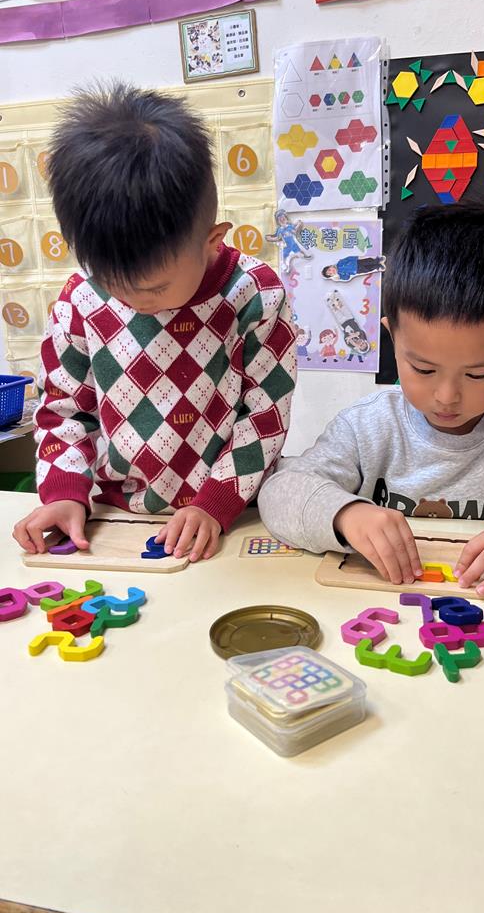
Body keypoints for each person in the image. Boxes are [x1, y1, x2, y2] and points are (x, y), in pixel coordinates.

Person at [13, 84, 296, 563]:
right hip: (115, 516)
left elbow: (265, 414)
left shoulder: (255, 294)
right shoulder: (80, 299)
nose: (132, 301)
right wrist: (64, 493)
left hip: (233, 514)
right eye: (112, 282)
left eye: (155, 288)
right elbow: (64, 412)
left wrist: (215, 503)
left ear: (212, 241)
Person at [258, 203, 484, 599]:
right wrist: (345, 514)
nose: (446, 396)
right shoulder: (368, 426)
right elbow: (280, 491)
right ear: (393, 338)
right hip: (381, 616)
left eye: (477, 374)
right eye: (423, 369)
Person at [321, 255, 385, 281]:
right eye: (330, 274)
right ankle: (378, 266)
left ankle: (377, 260)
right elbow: (347, 277)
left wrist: (356, 258)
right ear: (332, 276)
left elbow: (348, 259)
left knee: (368, 261)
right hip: (357, 271)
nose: (332, 272)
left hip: (357, 263)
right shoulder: (340, 274)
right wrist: (339, 277)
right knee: (368, 269)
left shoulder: (339, 263)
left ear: (331, 266)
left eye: (330, 270)